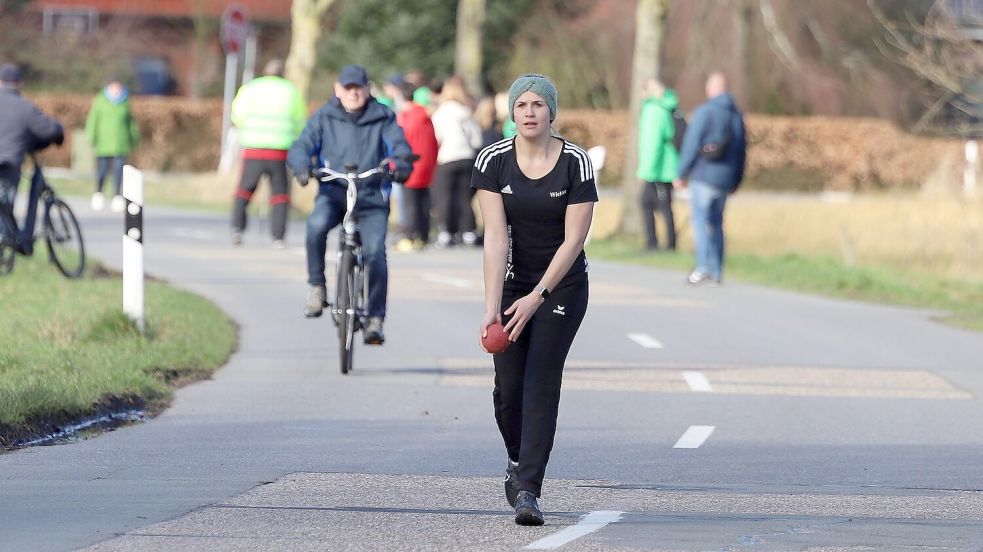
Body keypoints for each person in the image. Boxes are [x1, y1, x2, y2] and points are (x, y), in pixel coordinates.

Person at [472, 73, 597, 526]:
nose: (529, 112)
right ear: (511, 112)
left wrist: (538, 296)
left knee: (541, 380)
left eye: (537, 105)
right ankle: (515, 457)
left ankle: (528, 489)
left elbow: (574, 240)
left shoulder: (575, 163)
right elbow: (495, 235)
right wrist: (492, 308)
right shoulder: (493, 161)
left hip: (560, 287)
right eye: (521, 105)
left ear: (551, 113)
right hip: (510, 283)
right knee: (509, 390)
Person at [287, 64, 412, 345]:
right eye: (348, 88)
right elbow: (301, 146)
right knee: (316, 226)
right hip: (334, 192)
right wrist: (302, 166)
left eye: (358, 87)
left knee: (376, 253)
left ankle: (376, 319)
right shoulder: (324, 116)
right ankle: (317, 286)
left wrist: (398, 164)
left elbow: (400, 148)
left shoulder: (383, 117)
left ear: (368, 89)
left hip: (370, 198)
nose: (353, 93)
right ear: (338, 89)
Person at [674, 72, 747, 285]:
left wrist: (681, 173)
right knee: (717, 223)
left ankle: (702, 267)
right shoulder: (736, 115)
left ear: (710, 89)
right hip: (725, 180)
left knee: (701, 222)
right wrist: (736, 180)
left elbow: (691, 143)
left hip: (704, 177)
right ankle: (717, 270)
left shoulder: (705, 112)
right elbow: (742, 150)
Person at [230, 59, 306, 248]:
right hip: (279, 150)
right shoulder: (291, 91)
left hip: (254, 148)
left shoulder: (251, 88)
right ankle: (278, 236)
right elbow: (300, 120)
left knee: (244, 190)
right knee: (280, 195)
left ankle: (237, 229)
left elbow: (237, 115)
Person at [0, 63, 63, 212]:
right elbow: (47, 129)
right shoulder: (24, 107)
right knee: (6, 209)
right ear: (19, 84)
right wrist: (58, 129)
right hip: (9, 163)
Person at [385, 76, 438, 251]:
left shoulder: (406, 117)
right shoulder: (424, 114)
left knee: (410, 202)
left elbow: (401, 142)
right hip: (427, 163)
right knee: (423, 199)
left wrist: (394, 164)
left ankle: (410, 235)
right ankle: (423, 234)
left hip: (412, 163)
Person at [432, 75, 483, 248]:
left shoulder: (441, 113)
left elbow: (437, 137)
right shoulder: (466, 112)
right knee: (465, 197)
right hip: (467, 157)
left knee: (444, 197)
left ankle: (446, 232)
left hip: (447, 157)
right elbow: (476, 139)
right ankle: (469, 231)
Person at [637, 78, 680, 251]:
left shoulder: (653, 110)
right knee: (659, 205)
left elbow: (652, 144)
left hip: (660, 169)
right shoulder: (667, 105)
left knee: (654, 205)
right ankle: (662, 243)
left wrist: (644, 172)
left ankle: (660, 244)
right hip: (666, 167)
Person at [85, 78, 139, 212]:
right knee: (102, 171)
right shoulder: (100, 100)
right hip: (104, 143)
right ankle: (99, 193)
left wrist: (134, 139)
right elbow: (93, 119)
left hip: (120, 143)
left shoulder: (125, 102)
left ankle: (117, 196)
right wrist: (91, 135)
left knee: (118, 171)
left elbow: (130, 122)